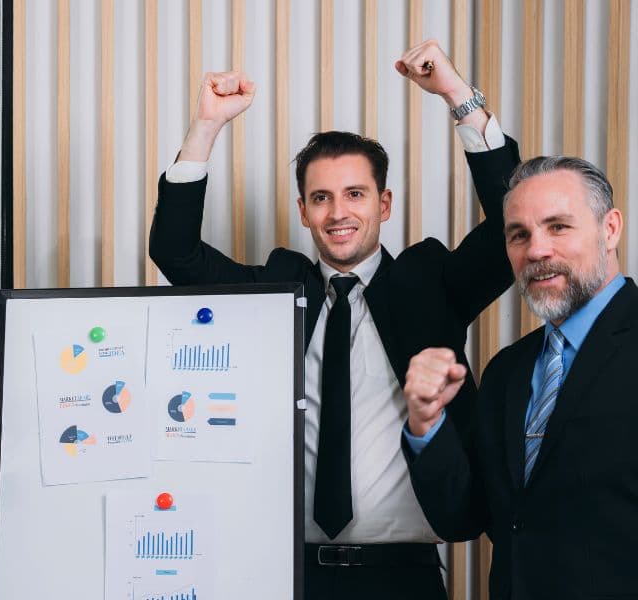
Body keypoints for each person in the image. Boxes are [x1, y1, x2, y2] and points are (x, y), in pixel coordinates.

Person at [149, 40, 520, 599]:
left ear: (384, 204)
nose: (338, 212)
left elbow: (509, 228)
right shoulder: (278, 290)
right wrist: (205, 127)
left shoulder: (429, 284)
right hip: (287, 575)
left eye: (355, 194)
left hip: (405, 578)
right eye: (321, 198)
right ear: (303, 211)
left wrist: (457, 97)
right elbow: (175, 253)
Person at [403, 156, 637, 599]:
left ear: (610, 229)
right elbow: (465, 518)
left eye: (558, 227)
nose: (536, 250)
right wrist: (425, 424)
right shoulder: (507, 370)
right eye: (519, 235)